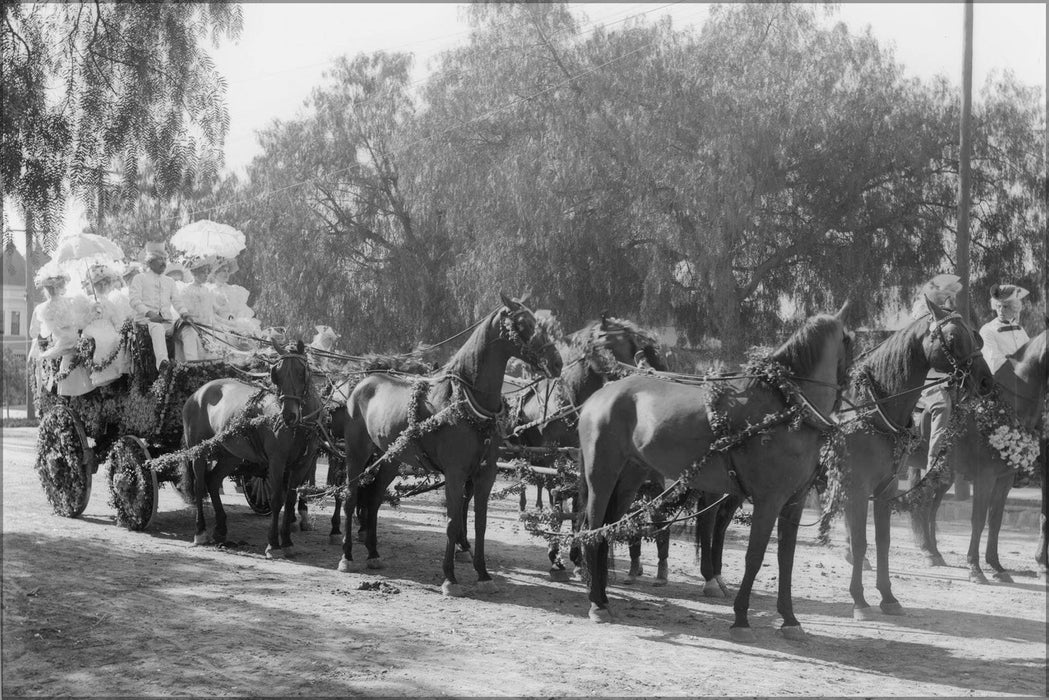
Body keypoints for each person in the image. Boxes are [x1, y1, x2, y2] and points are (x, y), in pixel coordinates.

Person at [910, 274, 964, 493]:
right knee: (942, 405)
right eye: (945, 296)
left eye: (951, 296)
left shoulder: (951, 318)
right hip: (924, 381)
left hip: (946, 379)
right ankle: (933, 464)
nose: (949, 300)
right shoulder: (922, 315)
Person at [28, 263, 94, 396]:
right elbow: (37, 332)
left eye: (58, 286)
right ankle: (71, 393)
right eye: (55, 287)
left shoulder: (66, 302)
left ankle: (76, 393)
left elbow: (81, 321)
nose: (56, 289)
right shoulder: (46, 308)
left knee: (76, 354)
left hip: (70, 339)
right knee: (70, 355)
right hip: (65, 341)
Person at [128, 242, 181, 371]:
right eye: (160, 259)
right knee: (156, 327)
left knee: (185, 327)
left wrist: (184, 313)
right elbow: (134, 300)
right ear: (150, 262)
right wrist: (149, 313)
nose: (163, 262)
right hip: (146, 321)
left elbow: (177, 301)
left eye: (165, 259)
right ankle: (163, 364)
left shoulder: (170, 281)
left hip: (166, 320)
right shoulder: (140, 278)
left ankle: (185, 367)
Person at [80, 262, 132, 386]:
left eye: (105, 283)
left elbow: (116, 319)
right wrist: (93, 312)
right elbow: (83, 321)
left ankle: (116, 370)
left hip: (108, 326)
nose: (102, 286)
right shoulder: (90, 301)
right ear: (93, 285)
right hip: (94, 327)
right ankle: (102, 372)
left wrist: (120, 328)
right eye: (99, 284)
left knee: (117, 338)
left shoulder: (110, 302)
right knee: (103, 339)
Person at [174, 256, 218, 362]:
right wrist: (194, 321)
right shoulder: (186, 290)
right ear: (194, 272)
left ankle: (211, 366)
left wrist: (211, 327)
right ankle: (192, 365)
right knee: (190, 335)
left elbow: (210, 313)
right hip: (189, 325)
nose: (206, 275)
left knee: (215, 338)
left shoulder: (207, 290)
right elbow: (184, 311)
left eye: (207, 272)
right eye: (203, 272)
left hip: (204, 326)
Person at [979, 283, 1030, 374]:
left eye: (1005, 306)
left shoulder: (1020, 329)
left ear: (1014, 308)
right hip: (1000, 383)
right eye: (999, 306)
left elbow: (1031, 353)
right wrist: (1021, 366)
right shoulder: (987, 330)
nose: (1001, 310)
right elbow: (994, 364)